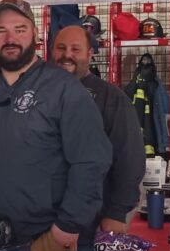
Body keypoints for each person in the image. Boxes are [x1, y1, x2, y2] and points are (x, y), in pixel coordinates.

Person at [0, 0, 112, 251]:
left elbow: (90, 162)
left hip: (44, 241)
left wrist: (66, 228)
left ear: (35, 34)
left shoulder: (64, 89)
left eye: (20, 29)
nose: (10, 38)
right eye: (1, 30)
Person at [52, 26, 144, 233]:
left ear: (89, 54)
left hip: (94, 222)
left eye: (76, 49)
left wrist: (117, 212)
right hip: (44, 220)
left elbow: (129, 157)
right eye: (61, 48)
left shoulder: (111, 98)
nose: (67, 55)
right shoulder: (39, 94)